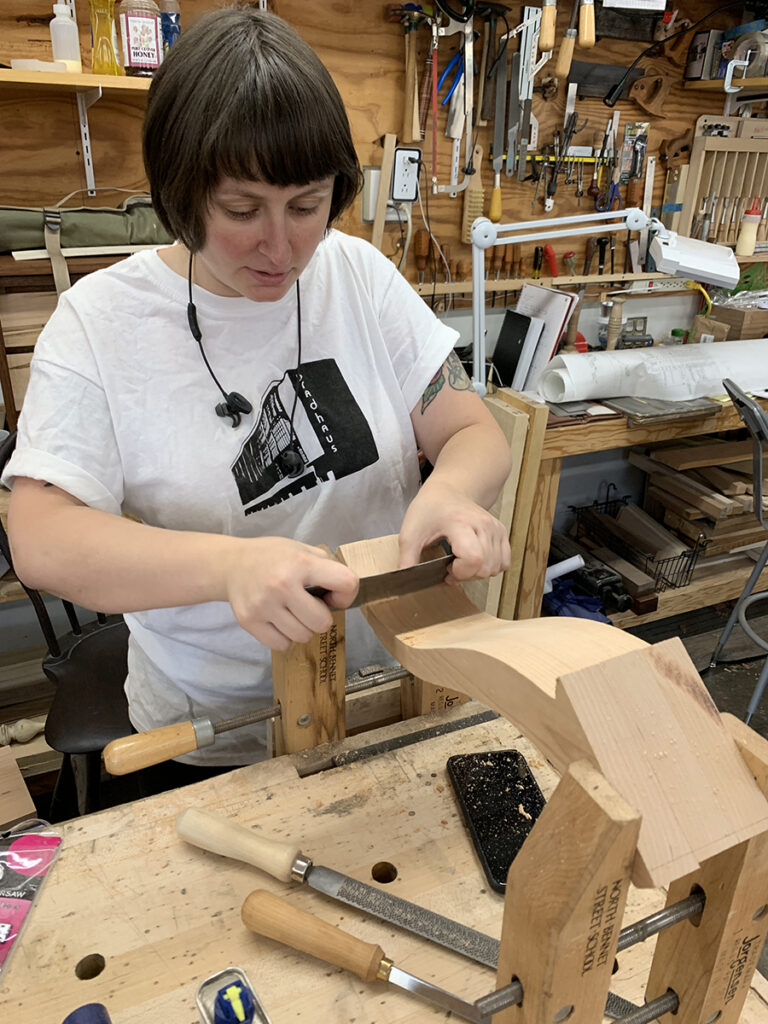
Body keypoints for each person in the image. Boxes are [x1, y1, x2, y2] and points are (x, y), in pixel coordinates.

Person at [3, 5, 512, 787]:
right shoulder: (100, 321)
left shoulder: (359, 274)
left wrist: (451, 493)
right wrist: (230, 569)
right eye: (242, 211)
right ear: (180, 195)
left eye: (307, 205)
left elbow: (470, 428)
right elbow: (41, 539)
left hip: (391, 691)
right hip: (212, 734)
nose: (283, 247)